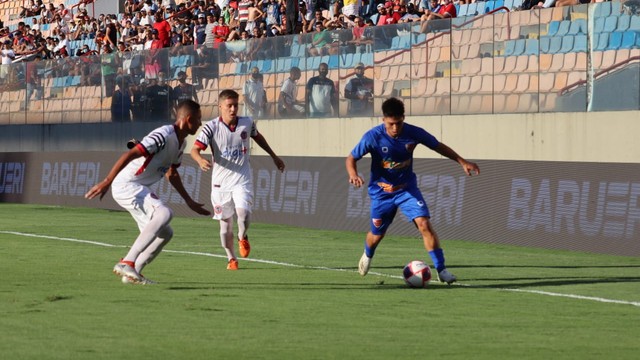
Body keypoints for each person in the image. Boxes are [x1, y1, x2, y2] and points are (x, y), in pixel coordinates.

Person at [345, 97, 480, 284]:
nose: (395, 128)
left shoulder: (413, 133)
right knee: (376, 235)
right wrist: (353, 174)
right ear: (383, 120)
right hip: (381, 193)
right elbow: (351, 158)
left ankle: (442, 270)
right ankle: (368, 255)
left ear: (403, 118)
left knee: (424, 224)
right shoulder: (372, 137)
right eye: (391, 124)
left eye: (399, 123)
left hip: (406, 190)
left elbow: (438, 146)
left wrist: (462, 161)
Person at [84, 100, 211, 284]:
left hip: (135, 187)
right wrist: (107, 181)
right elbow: (130, 154)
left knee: (166, 233)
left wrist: (189, 201)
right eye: (198, 119)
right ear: (188, 119)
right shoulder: (163, 135)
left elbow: (172, 173)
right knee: (165, 213)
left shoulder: (180, 144)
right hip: (128, 184)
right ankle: (127, 261)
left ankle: (133, 272)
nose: (200, 123)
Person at [190, 89, 285, 270]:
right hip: (220, 184)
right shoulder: (211, 127)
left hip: (242, 178)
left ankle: (242, 236)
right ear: (220, 107)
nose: (233, 109)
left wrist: (274, 156)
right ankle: (231, 258)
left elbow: (258, 138)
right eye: (229, 106)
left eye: (235, 105)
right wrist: (200, 159)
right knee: (225, 227)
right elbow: (194, 149)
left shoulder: (247, 123)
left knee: (244, 215)